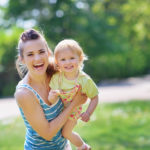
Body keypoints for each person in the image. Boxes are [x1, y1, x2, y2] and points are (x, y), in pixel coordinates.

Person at [14, 29, 87, 150]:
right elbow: (48, 133)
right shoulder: (24, 93)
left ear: (48, 53)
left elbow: (80, 80)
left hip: (64, 146)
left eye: (41, 52)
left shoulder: (56, 73)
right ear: (22, 59)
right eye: (30, 54)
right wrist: (74, 103)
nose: (37, 58)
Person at [48, 39, 99, 150]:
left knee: (66, 133)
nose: (68, 62)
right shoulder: (57, 77)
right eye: (63, 59)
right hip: (59, 110)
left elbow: (95, 97)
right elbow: (52, 97)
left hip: (73, 111)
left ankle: (83, 147)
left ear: (80, 59)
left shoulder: (84, 80)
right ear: (57, 63)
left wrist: (88, 113)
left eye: (72, 58)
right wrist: (52, 97)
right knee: (56, 133)